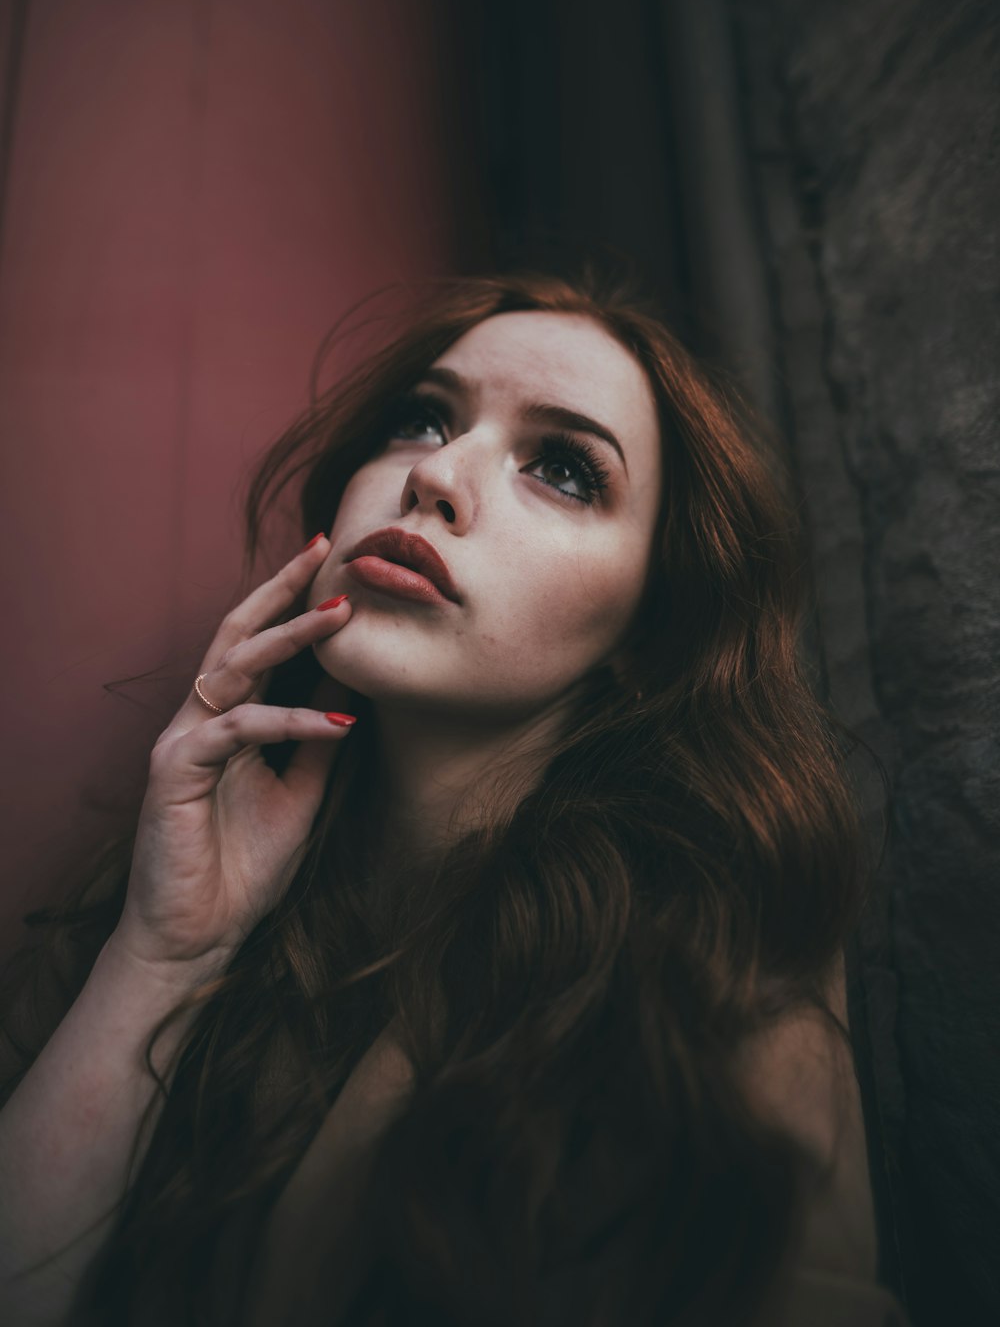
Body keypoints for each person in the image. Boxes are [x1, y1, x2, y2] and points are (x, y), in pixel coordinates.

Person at [0, 266, 910, 1326]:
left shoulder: (704, 979)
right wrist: (161, 957)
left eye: (564, 469)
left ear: (647, 637)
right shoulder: (179, 890)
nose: (436, 478)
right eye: (420, 420)